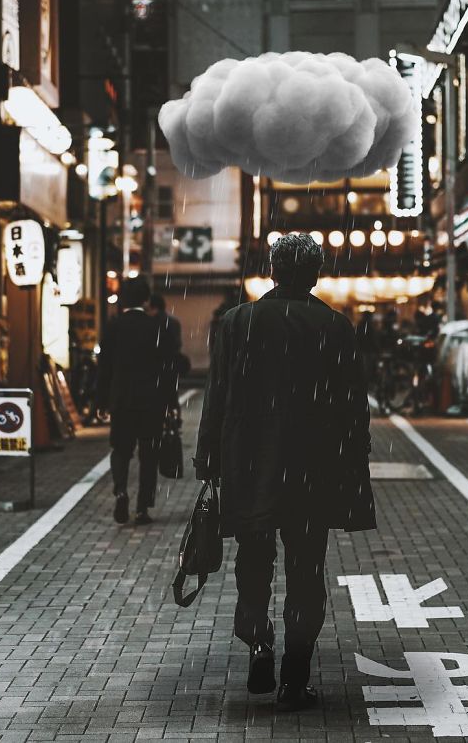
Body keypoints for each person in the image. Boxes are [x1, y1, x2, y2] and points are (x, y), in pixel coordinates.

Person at [194, 233, 376, 711]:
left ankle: (258, 641)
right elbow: (354, 408)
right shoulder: (334, 327)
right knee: (306, 570)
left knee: (254, 562)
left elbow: (219, 395)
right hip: (314, 467)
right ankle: (295, 676)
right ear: (315, 274)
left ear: (272, 271)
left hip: (251, 462)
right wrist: (356, 465)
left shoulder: (238, 322)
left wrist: (208, 457)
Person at [96, 276, 177, 525]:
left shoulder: (113, 327)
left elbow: (104, 367)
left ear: (123, 301)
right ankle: (142, 507)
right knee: (149, 455)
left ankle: (121, 491)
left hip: (122, 399)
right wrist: (171, 403)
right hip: (151, 401)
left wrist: (101, 401)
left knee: (121, 449)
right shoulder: (157, 328)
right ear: (146, 300)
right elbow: (167, 369)